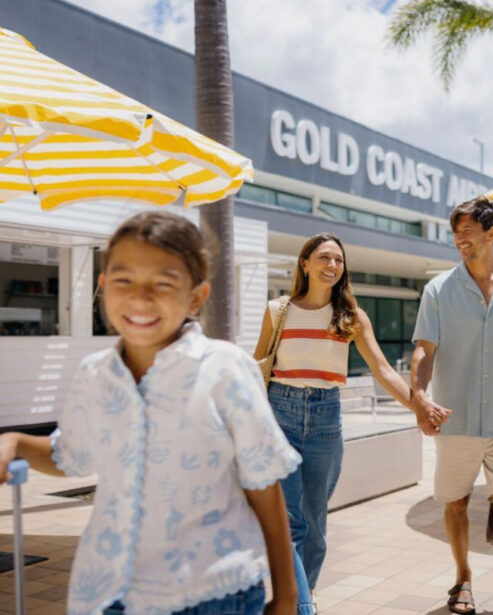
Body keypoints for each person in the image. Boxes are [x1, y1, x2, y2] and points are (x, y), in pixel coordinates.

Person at [0, 211, 300, 615]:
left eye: (163, 283)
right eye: (124, 281)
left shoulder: (224, 369)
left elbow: (263, 484)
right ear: (103, 287)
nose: (140, 297)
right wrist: (15, 442)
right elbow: (71, 455)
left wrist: (287, 596)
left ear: (196, 296)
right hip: (107, 592)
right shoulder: (94, 374)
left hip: (213, 593)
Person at [254, 233, 416, 615]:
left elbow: (384, 370)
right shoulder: (277, 310)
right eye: (324, 258)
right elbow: (257, 365)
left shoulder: (351, 317)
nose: (332, 266)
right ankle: (305, 607)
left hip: (327, 419)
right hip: (280, 415)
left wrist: (420, 407)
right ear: (305, 263)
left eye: (339, 260)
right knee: (291, 523)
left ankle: (298, 599)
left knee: (315, 526)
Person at [410, 196, 493, 615]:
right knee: (457, 503)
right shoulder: (438, 290)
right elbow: (424, 351)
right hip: (456, 417)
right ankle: (463, 575)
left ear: (491, 233)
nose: (459, 239)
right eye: (456, 232)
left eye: (467, 231)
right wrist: (420, 397)